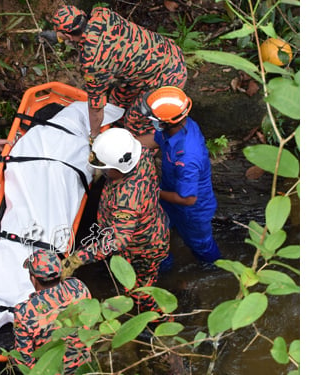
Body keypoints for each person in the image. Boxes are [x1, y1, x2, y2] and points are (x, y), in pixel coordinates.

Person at [62, 128, 170, 313]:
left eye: (104, 167)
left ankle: (159, 319)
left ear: (118, 169)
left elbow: (117, 241)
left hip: (141, 248)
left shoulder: (126, 201)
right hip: (152, 223)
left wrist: (77, 259)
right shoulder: (139, 155)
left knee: (139, 291)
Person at [49, 5, 187, 139]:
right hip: (161, 54)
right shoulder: (102, 14)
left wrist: (94, 136)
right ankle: (117, 129)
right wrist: (59, 37)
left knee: (134, 122)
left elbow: (96, 108)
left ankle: (143, 152)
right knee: (116, 102)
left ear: (68, 35)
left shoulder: (93, 61)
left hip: (168, 75)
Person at [138, 86, 221, 270]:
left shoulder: (187, 157)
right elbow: (156, 139)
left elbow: (188, 199)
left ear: (167, 122)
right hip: (171, 193)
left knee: (201, 245)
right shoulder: (180, 125)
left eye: (154, 119)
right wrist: (127, 142)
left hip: (192, 211)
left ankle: (215, 267)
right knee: (161, 227)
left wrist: (153, 192)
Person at [13, 248, 92, 374]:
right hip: (85, 367)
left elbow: (24, 360)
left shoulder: (23, 312)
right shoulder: (78, 287)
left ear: (33, 279)